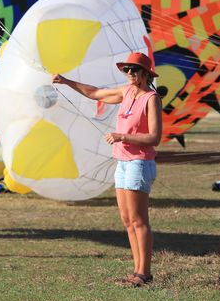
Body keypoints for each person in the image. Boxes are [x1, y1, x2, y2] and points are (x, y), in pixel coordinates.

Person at [52, 52, 162, 287]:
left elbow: (155, 137)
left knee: (139, 220)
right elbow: (94, 93)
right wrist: (65, 81)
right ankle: (137, 271)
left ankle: (145, 273)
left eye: (134, 70)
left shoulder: (151, 98)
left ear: (146, 73)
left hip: (139, 163)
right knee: (127, 220)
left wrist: (122, 136)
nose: (130, 74)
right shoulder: (126, 92)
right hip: (122, 162)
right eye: (127, 70)